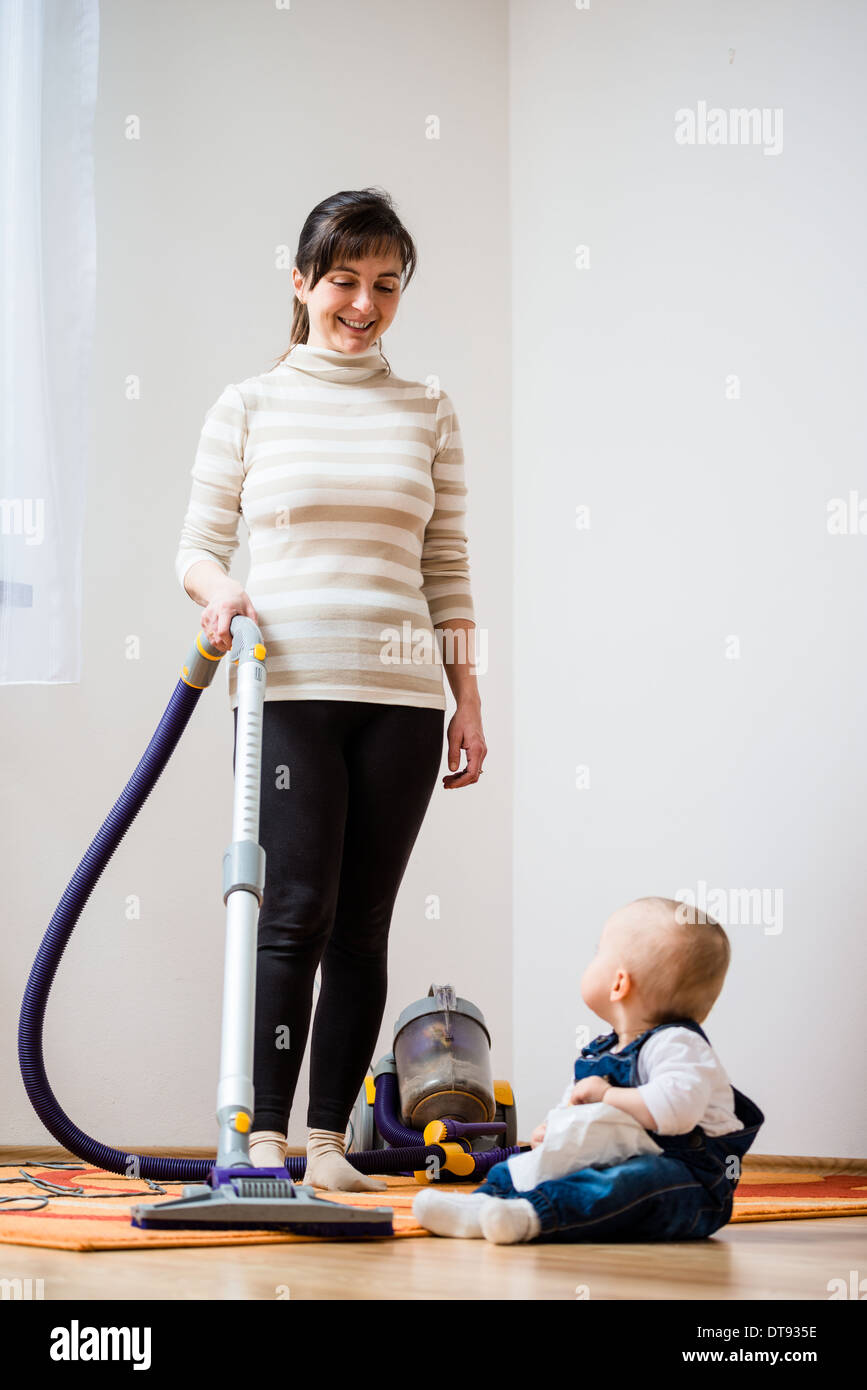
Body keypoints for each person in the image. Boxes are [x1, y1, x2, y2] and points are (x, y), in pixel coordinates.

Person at [175, 188, 487, 1191]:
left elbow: (448, 561)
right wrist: (225, 594)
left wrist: (467, 693)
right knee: (293, 909)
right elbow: (198, 546)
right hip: (289, 688)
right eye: (344, 280)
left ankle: (325, 1144)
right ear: (302, 281)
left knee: (363, 924)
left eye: (386, 285)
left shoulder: (428, 407)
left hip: (402, 697)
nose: (364, 302)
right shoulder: (250, 403)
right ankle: (263, 1133)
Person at [413, 896, 764, 1243]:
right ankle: (482, 1206)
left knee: (629, 1182)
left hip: (688, 1183)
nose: (592, 958)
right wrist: (552, 1130)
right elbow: (576, 1107)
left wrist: (608, 1095)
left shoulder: (679, 1046)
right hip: (611, 1158)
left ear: (618, 984)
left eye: (599, 952)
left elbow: (677, 1113)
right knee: (518, 1168)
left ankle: (531, 1216)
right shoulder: (602, 1051)